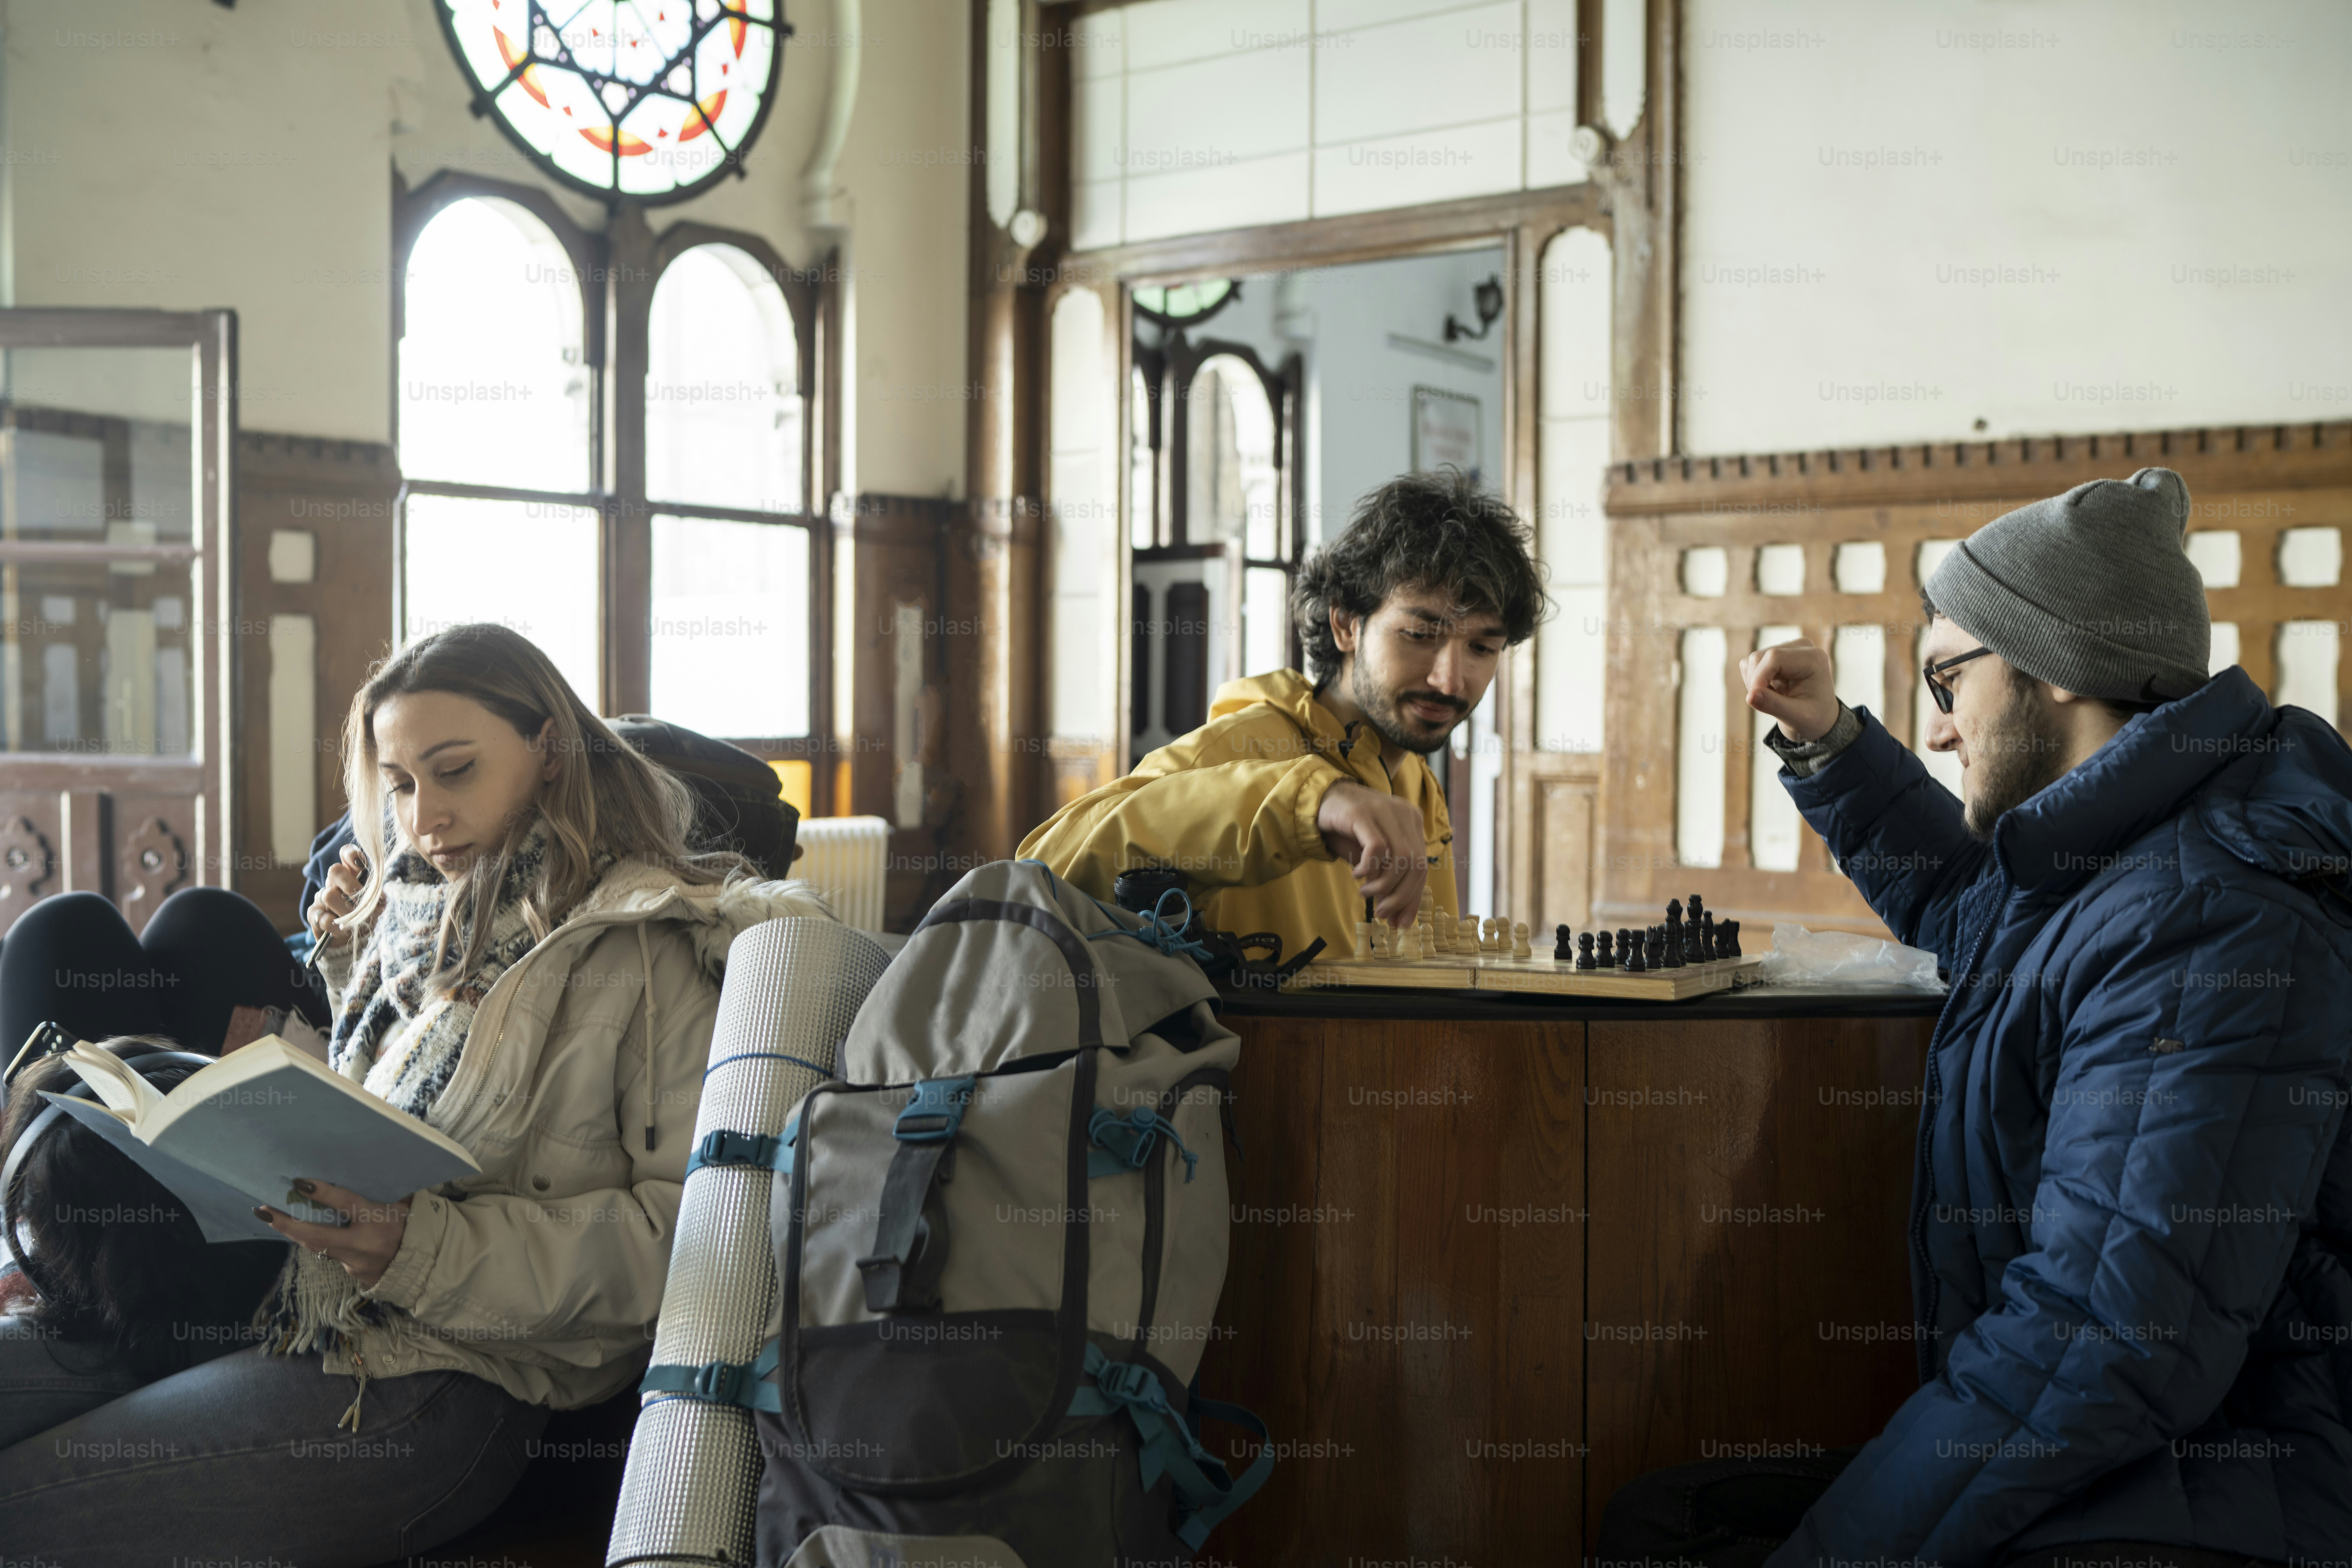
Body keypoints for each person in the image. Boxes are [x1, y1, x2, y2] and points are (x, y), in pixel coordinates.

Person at [1596, 467, 2352, 1567]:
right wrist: (1830, 747)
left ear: (2052, 667)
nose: (1940, 732)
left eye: (1947, 679)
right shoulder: (2130, 852)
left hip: (2233, 1486)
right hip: (2132, 1447)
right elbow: (1978, 914)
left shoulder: (2206, 919)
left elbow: (2104, 1337)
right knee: (1667, 1519)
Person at [0, 622, 833, 1563]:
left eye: (455, 770)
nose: (423, 816)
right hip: (290, 1307)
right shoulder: (411, 922)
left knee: (22, 1508)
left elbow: (680, 1248)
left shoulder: (650, 948)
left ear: (549, 749)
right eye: (399, 784)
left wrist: (420, 1245)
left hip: (447, 1380)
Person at [1020, 468, 1545, 961]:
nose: (1450, 681)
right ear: (1346, 625)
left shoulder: (1416, 782)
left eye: (1481, 648)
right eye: (1419, 635)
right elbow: (1042, 870)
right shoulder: (1237, 746)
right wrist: (1311, 803)